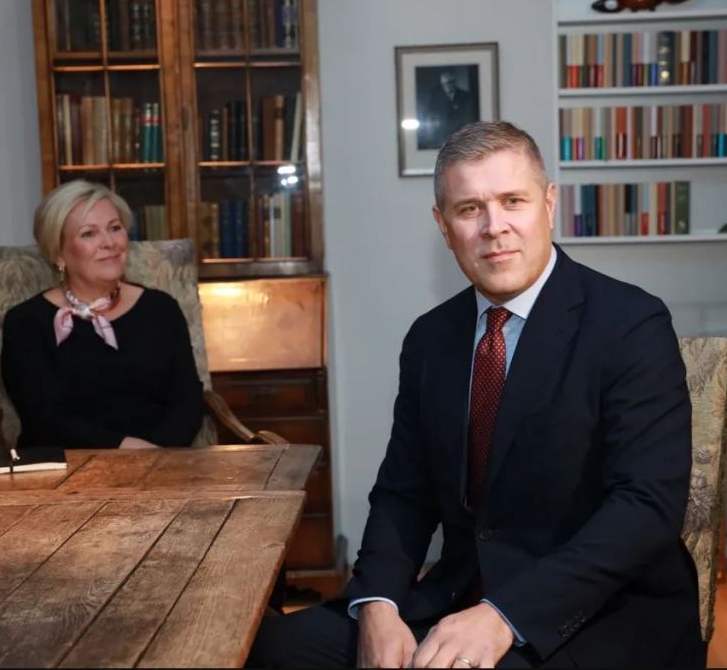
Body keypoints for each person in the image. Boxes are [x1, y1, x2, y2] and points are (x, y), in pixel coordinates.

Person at [247, 122, 703, 668]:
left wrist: (505, 615)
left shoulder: (630, 323)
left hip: (598, 613)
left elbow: (645, 508)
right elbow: (404, 493)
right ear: (443, 227)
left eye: (513, 201)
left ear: (549, 204)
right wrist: (378, 605)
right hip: (458, 595)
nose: (494, 227)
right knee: (274, 649)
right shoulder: (430, 338)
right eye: (469, 209)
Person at [1, 179, 204, 450]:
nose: (109, 243)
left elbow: (188, 401)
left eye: (115, 228)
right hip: (68, 469)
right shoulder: (26, 323)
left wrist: (158, 455)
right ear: (59, 254)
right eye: (89, 234)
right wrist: (125, 448)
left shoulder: (161, 308)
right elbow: (44, 419)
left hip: (162, 462)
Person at [419, 69, 479, 150]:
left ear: (454, 82)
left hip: (460, 135)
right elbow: (433, 116)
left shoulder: (465, 96)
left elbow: (468, 117)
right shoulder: (435, 97)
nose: (448, 86)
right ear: (442, 84)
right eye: (445, 84)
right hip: (442, 135)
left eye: (450, 82)